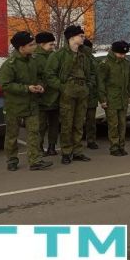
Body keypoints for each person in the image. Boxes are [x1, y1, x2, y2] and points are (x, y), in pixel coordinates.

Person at [0, 31, 52, 171]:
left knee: (34, 132)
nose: (34, 46)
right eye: (31, 45)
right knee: (12, 135)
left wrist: (41, 85)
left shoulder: (33, 60)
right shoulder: (10, 65)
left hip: (32, 104)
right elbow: (5, 85)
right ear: (21, 48)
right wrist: (26, 88)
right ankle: (12, 160)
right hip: (14, 106)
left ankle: (35, 161)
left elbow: (41, 76)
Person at [46, 25, 93, 164]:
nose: (83, 38)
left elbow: (90, 73)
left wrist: (88, 86)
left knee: (79, 123)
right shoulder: (59, 55)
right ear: (72, 38)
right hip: (68, 92)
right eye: (81, 36)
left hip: (82, 91)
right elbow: (50, 74)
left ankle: (77, 151)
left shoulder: (84, 54)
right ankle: (66, 152)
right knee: (67, 123)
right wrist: (62, 87)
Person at [97, 41, 130, 156]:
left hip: (123, 98)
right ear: (114, 52)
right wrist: (102, 99)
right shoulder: (105, 64)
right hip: (111, 98)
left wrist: (129, 94)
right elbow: (100, 83)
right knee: (113, 124)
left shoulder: (126, 63)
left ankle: (121, 146)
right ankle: (114, 147)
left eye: (124, 54)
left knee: (122, 124)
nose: (123, 56)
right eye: (120, 54)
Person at [33, 31, 59, 156]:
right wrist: (40, 86)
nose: (53, 47)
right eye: (50, 44)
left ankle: (52, 147)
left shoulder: (54, 56)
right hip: (41, 97)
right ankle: (38, 148)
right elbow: (34, 76)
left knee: (54, 125)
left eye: (53, 44)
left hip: (55, 96)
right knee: (41, 126)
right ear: (42, 44)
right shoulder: (34, 58)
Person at [82, 39, 99, 150]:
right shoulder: (86, 58)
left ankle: (89, 140)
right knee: (89, 120)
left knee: (88, 120)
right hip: (86, 93)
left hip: (89, 93)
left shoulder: (92, 59)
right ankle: (91, 140)